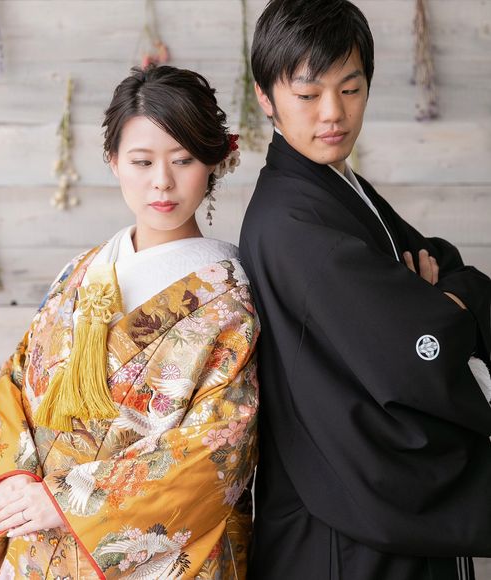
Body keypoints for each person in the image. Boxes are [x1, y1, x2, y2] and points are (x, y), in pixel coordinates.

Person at [0, 65, 259, 580]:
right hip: (32, 536)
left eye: (183, 160)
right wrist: (14, 474)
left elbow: (219, 448)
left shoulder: (228, 302)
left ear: (214, 161)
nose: (162, 181)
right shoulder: (81, 270)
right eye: (142, 161)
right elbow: (18, 379)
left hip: (137, 557)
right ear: (113, 160)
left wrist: (71, 499)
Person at [239, 1, 491, 579]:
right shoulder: (293, 223)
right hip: (340, 533)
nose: (333, 113)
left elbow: (448, 264)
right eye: (308, 94)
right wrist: (443, 305)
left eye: (350, 89)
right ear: (265, 97)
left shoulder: (333, 187)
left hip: (352, 514)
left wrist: (445, 299)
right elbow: (417, 347)